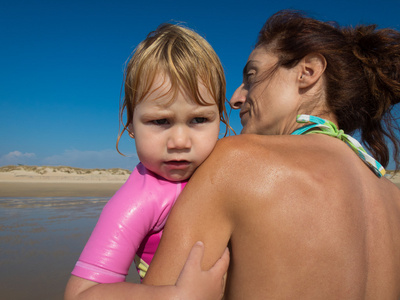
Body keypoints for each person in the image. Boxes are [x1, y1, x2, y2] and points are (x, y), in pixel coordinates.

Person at [143, 10, 400, 299]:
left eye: (251, 76)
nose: (236, 97)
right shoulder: (392, 196)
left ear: (308, 72)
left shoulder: (236, 161)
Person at [64, 23, 230, 299]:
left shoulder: (227, 165)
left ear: (220, 120)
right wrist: (175, 296)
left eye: (199, 119)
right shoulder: (139, 199)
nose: (180, 141)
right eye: (160, 121)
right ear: (130, 125)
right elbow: (81, 294)